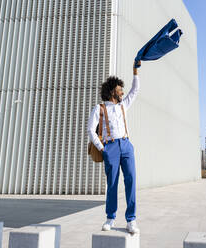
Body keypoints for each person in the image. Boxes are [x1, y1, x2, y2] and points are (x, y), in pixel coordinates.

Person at [87, 61, 141, 234]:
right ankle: (110, 218)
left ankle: (131, 220)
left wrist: (135, 71)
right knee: (112, 183)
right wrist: (102, 148)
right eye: (119, 90)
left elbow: (135, 91)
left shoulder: (123, 105)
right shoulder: (100, 108)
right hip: (110, 148)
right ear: (112, 92)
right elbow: (90, 130)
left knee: (131, 180)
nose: (122, 92)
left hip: (126, 145)